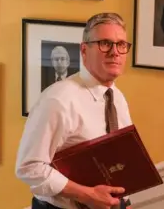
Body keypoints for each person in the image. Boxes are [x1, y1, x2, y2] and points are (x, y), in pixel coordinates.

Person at [16, 12, 134, 209]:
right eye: (105, 43)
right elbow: (28, 168)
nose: (115, 52)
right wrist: (88, 195)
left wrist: (125, 202)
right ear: (84, 50)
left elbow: (119, 158)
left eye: (121, 44)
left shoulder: (117, 97)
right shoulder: (58, 100)